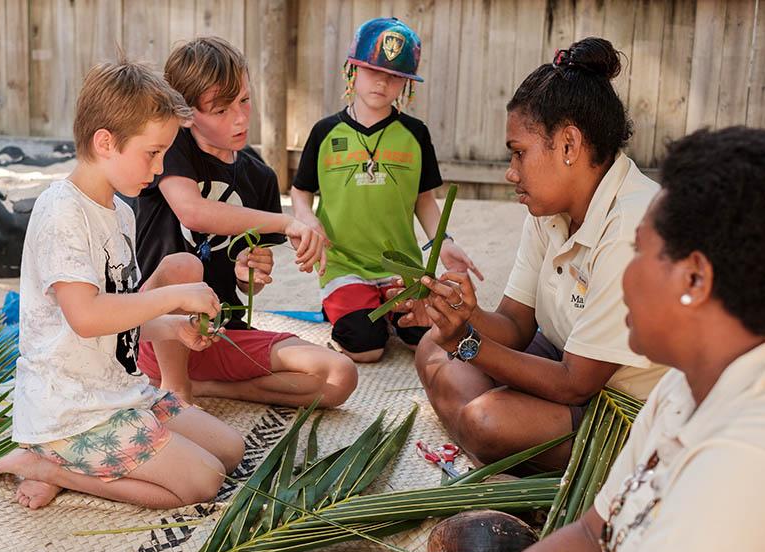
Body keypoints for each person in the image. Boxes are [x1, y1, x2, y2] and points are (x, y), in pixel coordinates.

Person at [429, 126, 765, 552]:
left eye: (641, 253)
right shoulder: (685, 388)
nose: (622, 278)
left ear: (694, 278)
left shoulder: (736, 470)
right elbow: (596, 536)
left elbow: (572, 384)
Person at [0, 58, 245, 510]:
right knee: (202, 482)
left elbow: (119, 320)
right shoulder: (62, 212)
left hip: (117, 391)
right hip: (70, 413)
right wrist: (173, 296)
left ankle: (72, 464)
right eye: (152, 153)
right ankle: (50, 465)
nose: (161, 165)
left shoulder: (120, 211)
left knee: (231, 451)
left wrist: (172, 327)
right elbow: (87, 318)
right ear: (105, 142)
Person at [407, 38, 667, 468]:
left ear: (568, 145)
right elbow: (514, 325)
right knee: (432, 349)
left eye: (519, 153)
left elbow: (575, 384)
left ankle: (497, 439)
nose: (511, 172)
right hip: (562, 358)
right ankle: (497, 443)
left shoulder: (632, 229)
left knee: (486, 418)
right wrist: (458, 315)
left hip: (619, 403)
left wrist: (469, 345)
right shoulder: (551, 209)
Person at [134, 37, 357, 408]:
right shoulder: (171, 148)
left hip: (220, 330)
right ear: (187, 114)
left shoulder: (260, 177)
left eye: (244, 100)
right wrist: (285, 222)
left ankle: (208, 388)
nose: (239, 118)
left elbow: (250, 288)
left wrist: (246, 274)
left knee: (339, 376)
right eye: (220, 110)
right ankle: (176, 388)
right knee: (183, 267)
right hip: (159, 333)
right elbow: (192, 211)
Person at [290, 17, 482, 364]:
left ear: (406, 84)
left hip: (402, 265)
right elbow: (300, 191)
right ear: (352, 70)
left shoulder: (416, 133)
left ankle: (386, 307)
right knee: (366, 347)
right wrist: (307, 220)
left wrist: (445, 241)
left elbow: (424, 199)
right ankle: (349, 299)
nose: (382, 81)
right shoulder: (324, 132)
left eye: (395, 75)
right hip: (343, 263)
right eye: (372, 70)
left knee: (422, 339)